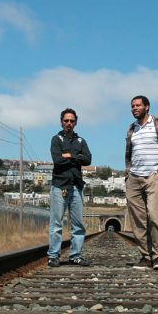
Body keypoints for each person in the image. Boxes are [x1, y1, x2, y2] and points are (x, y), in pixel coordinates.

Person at [125, 95, 158, 270]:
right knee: (138, 221)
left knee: (155, 215)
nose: (134, 108)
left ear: (147, 107)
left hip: (153, 176)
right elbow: (128, 154)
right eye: (132, 106)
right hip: (134, 178)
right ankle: (146, 256)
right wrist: (128, 174)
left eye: (138, 105)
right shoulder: (132, 129)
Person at [47, 108, 92, 267]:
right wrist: (77, 158)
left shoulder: (81, 141)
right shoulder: (56, 139)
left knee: (78, 224)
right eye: (66, 120)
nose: (69, 123)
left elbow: (88, 159)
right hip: (60, 185)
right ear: (61, 122)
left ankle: (75, 255)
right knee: (56, 223)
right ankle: (53, 255)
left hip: (76, 187)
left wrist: (71, 156)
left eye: (72, 121)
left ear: (75, 123)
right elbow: (58, 160)